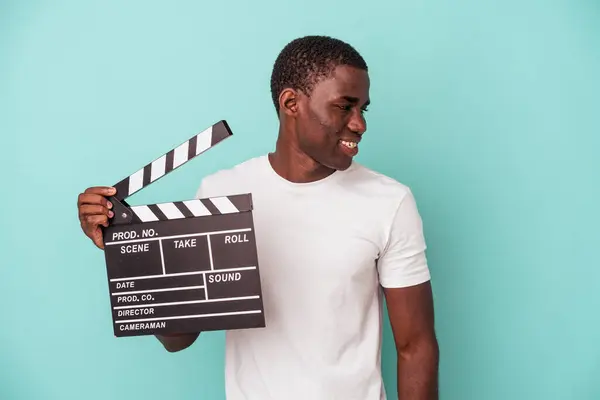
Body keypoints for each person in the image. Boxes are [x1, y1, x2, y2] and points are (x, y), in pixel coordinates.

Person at [77, 35, 439, 399]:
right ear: (291, 102)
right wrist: (124, 244)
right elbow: (178, 338)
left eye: (363, 108)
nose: (359, 124)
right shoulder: (222, 194)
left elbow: (416, 346)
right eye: (344, 107)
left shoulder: (388, 201)